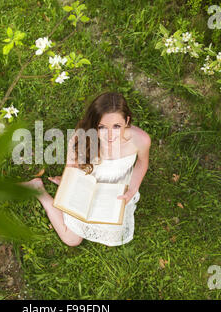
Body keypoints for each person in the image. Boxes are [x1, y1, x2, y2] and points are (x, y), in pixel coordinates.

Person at [21, 92, 150, 246]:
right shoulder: (81, 138)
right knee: (71, 240)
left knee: (115, 231)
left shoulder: (140, 140)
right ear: (94, 124)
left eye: (116, 126)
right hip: (86, 185)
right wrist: (70, 184)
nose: (110, 135)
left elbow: (142, 162)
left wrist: (133, 188)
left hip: (115, 190)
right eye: (102, 127)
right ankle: (38, 189)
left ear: (127, 120)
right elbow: (72, 168)